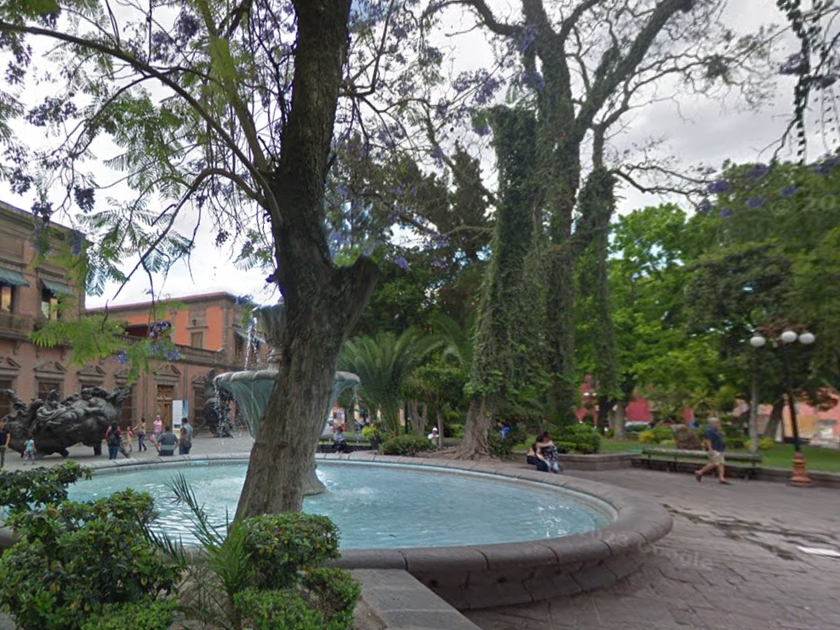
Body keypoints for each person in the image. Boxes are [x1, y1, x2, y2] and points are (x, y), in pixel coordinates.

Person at [695, 417, 731, 485]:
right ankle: (700, 472)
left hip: (719, 449)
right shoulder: (709, 431)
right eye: (717, 423)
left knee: (720, 463)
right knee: (717, 463)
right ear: (712, 423)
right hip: (714, 449)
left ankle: (721, 478)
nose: (718, 424)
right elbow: (708, 440)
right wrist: (710, 449)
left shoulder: (716, 431)